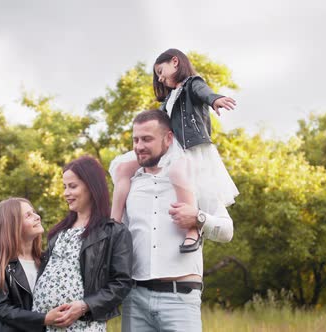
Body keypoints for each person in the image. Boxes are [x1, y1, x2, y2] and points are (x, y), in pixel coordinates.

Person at [110, 48, 238, 253]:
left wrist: (214, 99)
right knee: (122, 167)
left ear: (175, 62)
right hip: (169, 146)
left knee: (177, 172)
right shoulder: (168, 99)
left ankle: (192, 231)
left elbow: (203, 93)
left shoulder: (192, 84)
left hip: (189, 147)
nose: (160, 79)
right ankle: (114, 223)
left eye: (161, 71)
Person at [120, 110, 234, 332]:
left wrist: (198, 218)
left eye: (147, 139)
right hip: (135, 301)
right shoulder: (129, 184)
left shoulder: (193, 178)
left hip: (180, 300)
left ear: (168, 139)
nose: (139, 146)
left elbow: (227, 230)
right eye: (135, 139)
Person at [33, 156, 133, 331]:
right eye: (65, 187)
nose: (66, 193)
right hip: (47, 325)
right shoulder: (58, 232)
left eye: (73, 186)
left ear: (91, 187)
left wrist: (84, 305)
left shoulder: (113, 232)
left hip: (84, 326)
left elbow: (121, 283)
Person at [0, 197, 67, 332]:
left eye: (34, 212)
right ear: (12, 226)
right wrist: (44, 319)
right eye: (28, 215)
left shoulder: (47, 261)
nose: (37, 217)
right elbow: (1, 309)